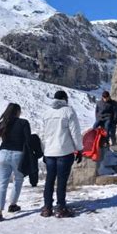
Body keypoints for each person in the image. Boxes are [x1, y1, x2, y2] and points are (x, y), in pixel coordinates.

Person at [41, 90, 83, 218]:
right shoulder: (68, 111)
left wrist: (44, 150)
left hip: (49, 152)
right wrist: (79, 149)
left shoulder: (46, 113)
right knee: (61, 180)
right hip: (64, 151)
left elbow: (44, 134)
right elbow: (75, 132)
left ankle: (47, 208)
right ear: (65, 99)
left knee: (49, 180)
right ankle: (61, 207)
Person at [0, 103, 31, 222]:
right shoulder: (24, 123)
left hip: (3, 155)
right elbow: (28, 140)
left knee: (2, 183)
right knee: (18, 180)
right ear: (18, 112)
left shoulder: (3, 124)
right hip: (18, 155)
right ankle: (13, 205)